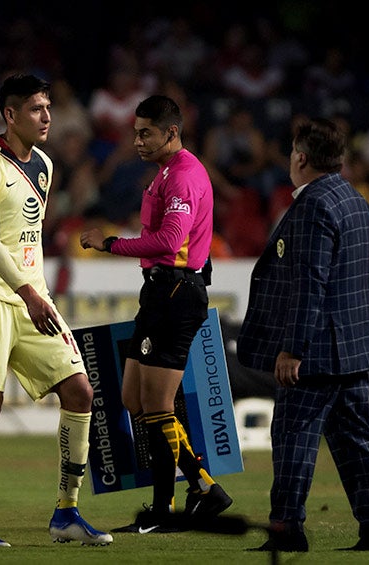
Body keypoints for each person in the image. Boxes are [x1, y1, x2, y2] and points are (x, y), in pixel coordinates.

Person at [236, 117, 369, 552]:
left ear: (300, 158)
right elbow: (363, 276)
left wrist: (294, 348)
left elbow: (309, 282)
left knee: (293, 434)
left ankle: (287, 530)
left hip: (318, 349)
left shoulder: (312, 205)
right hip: (354, 344)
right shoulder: (356, 201)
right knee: (354, 441)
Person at [0, 74, 111, 547]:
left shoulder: (43, 165)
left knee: (81, 392)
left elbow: (29, 238)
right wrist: (25, 291)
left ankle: (67, 511)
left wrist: (34, 290)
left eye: (48, 107)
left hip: (33, 298)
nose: (47, 117)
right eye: (37, 109)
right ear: (10, 114)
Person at [80, 94, 233, 533]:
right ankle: (199, 489)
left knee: (158, 405)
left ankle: (175, 504)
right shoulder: (166, 172)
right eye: (135, 132)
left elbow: (169, 242)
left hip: (177, 293)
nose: (138, 140)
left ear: (171, 132)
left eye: (146, 132)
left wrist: (110, 243)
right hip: (160, 294)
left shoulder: (184, 175)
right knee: (135, 399)